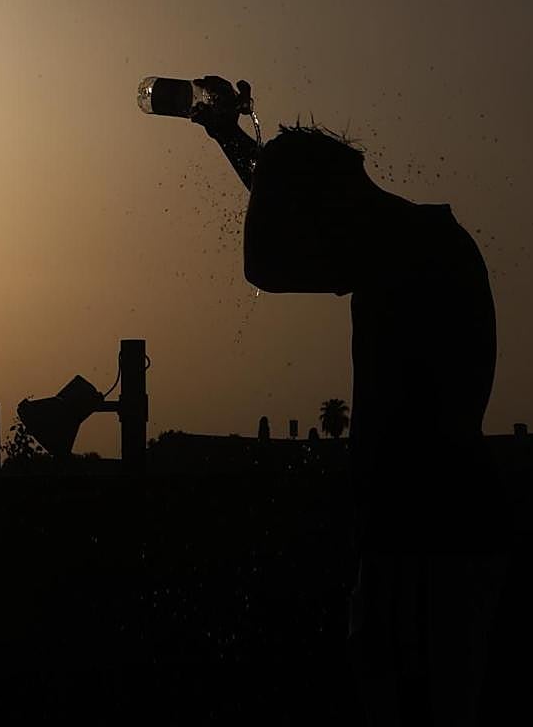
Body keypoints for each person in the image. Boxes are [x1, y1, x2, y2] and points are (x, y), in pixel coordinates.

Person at [189, 76, 510, 726]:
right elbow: (303, 224)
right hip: (425, 526)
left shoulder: (406, 247)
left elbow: (268, 263)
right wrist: (232, 137)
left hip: (425, 532)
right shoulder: (412, 239)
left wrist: (264, 160)